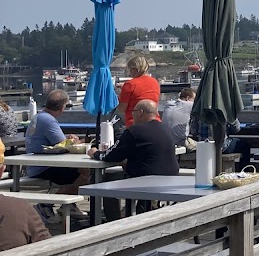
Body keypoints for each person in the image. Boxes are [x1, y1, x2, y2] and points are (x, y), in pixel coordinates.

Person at [25, 90, 89, 228]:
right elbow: (63, 144)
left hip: (36, 163)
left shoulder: (40, 116)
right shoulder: (48, 119)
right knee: (84, 174)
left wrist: (68, 138)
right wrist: (78, 141)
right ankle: (46, 205)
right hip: (42, 166)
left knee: (80, 172)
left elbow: (58, 141)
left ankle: (70, 205)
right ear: (62, 107)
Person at [90, 100, 180, 178]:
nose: (132, 115)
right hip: (170, 177)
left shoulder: (134, 131)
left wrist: (95, 153)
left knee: (108, 179)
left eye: (133, 112)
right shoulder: (166, 129)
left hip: (145, 179)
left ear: (140, 112)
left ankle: (98, 197)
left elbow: (111, 156)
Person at [117, 55, 161, 128]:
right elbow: (142, 94)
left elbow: (121, 108)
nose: (129, 74)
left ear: (135, 70)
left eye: (130, 70)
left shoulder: (130, 84)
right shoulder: (155, 82)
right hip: (155, 123)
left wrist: (120, 95)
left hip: (135, 124)